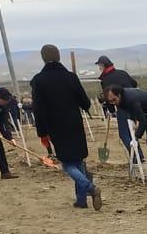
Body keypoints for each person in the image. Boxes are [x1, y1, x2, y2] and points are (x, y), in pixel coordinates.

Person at [31, 44, 102, 210]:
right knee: (78, 160)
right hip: (74, 122)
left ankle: (91, 188)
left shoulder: (38, 80)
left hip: (56, 125)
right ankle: (81, 200)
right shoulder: (71, 77)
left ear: (43, 58)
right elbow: (85, 102)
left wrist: (42, 132)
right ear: (59, 57)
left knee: (68, 163)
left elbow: (38, 110)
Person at [104, 85, 147, 178]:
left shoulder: (131, 99)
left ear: (119, 95)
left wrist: (137, 136)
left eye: (114, 100)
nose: (113, 103)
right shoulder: (122, 100)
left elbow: (143, 121)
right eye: (110, 101)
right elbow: (132, 112)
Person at [96, 55, 139, 153]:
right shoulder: (122, 73)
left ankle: (136, 155)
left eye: (99, 66)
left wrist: (111, 111)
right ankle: (139, 154)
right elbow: (135, 83)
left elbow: (108, 97)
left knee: (124, 133)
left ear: (103, 66)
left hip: (123, 106)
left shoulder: (105, 80)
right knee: (131, 131)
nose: (99, 68)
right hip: (135, 103)